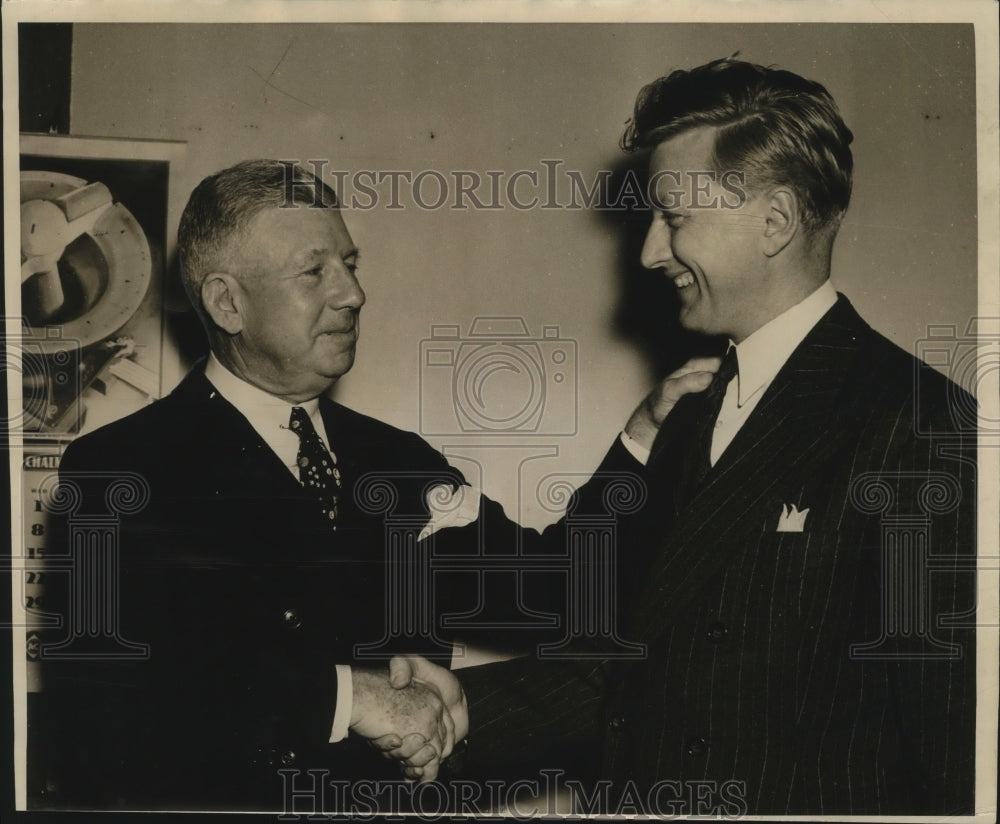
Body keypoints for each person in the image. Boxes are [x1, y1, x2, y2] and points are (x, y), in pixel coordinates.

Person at [382, 57, 978, 816]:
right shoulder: (692, 409)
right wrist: (459, 707)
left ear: (776, 221)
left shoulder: (925, 425)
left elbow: (955, 751)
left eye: (674, 217)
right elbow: (645, 664)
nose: (649, 253)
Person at [32, 159, 711, 811]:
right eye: (314, 271)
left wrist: (643, 440)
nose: (352, 293)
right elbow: (111, 703)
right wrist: (348, 698)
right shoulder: (123, 469)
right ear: (226, 302)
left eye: (351, 265)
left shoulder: (399, 462)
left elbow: (563, 591)